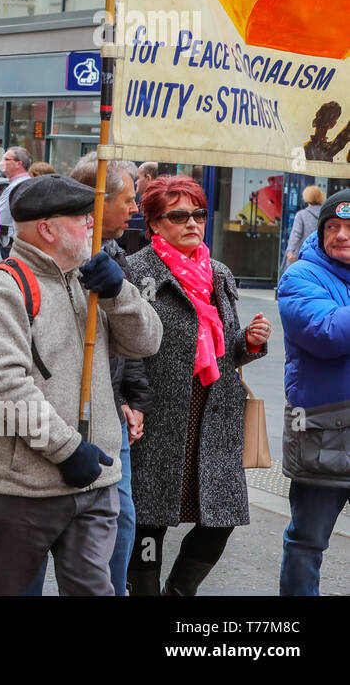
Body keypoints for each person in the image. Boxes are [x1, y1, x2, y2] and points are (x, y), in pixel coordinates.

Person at [0, 174, 163, 595]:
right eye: (81, 218)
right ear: (48, 229)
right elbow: (7, 386)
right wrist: (67, 449)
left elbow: (147, 343)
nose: (93, 225)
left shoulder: (89, 279)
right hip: (24, 486)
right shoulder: (2, 289)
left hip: (98, 480)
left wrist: (118, 294)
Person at [124, 174, 270, 596]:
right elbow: (122, 350)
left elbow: (226, 352)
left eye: (199, 214)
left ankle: (179, 591)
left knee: (219, 521)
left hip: (214, 416)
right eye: (179, 215)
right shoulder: (136, 272)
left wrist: (250, 343)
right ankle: (146, 590)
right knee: (150, 523)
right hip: (159, 416)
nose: (192, 223)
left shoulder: (218, 273)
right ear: (153, 223)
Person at [24, 153, 150, 596]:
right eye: (127, 198)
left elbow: (138, 341)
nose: (135, 207)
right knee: (30, 537)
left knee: (117, 527)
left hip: (107, 415)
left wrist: (132, 397)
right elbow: (12, 380)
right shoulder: (31, 271)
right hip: (47, 421)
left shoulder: (114, 256)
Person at [277, 189, 350, 595]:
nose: (340, 234)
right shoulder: (301, 276)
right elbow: (327, 333)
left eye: (349, 227)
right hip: (325, 429)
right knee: (308, 541)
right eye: (332, 227)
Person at [0, 146, 31, 259]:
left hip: (8, 246)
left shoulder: (14, 187)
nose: (1, 162)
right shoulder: (27, 183)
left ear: (18, 164)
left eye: (6, 159)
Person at [283, 185, 326, 277]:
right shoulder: (325, 214)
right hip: (321, 254)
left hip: (304, 254)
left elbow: (296, 234)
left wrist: (290, 251)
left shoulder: (302, 214)